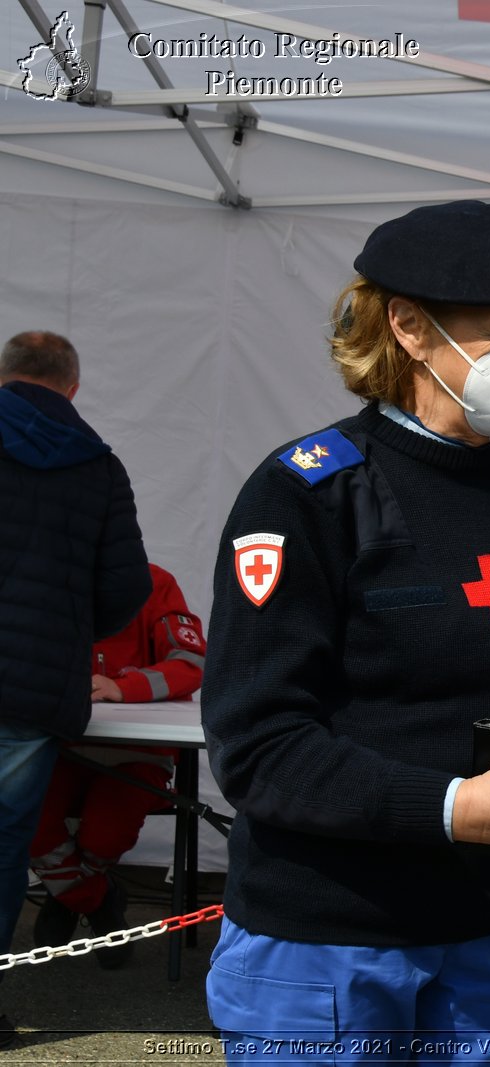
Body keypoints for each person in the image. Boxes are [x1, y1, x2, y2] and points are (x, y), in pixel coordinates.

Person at [201, 200, 490, 1065]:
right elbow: (260, 746)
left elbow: (487, 694)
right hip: (326, 942)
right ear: (410, 329)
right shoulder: (308, 494)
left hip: (484, 933)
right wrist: (456, 807)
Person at [0, 331, 150, 1042]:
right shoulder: (97, 464)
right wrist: (63, 628)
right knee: (2, 845)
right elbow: (127, 588)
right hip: (28, 688)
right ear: (73, 388)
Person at [29, 562, 206, 969]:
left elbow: (191, 662)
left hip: (136, 750)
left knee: (107, 829)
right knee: (25, 819)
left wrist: (122, 688)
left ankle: (67, 893)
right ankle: (95, 897)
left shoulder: (155, 582)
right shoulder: (40, 580)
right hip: (59, 746)